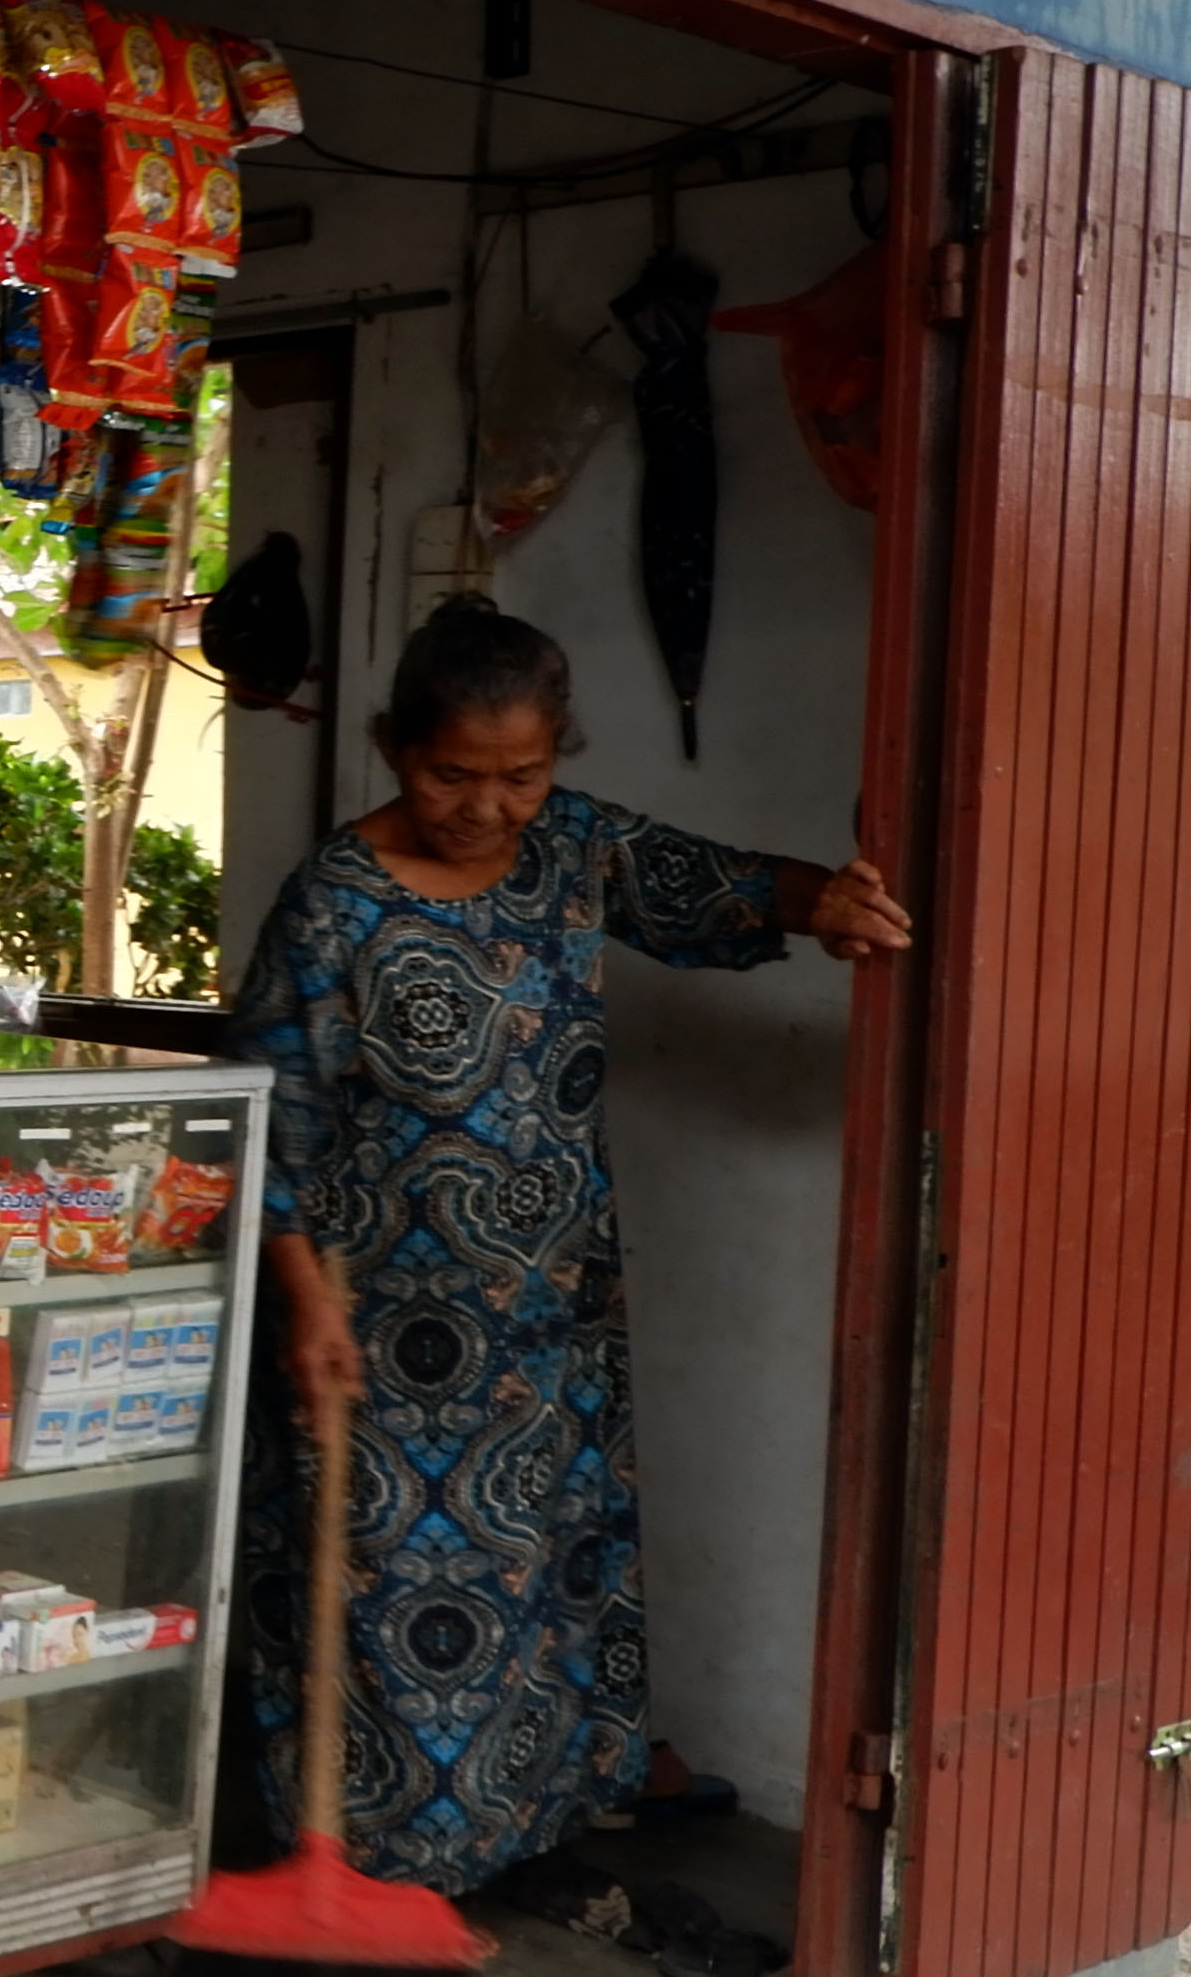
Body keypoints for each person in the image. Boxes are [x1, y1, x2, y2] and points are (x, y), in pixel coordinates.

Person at [223, 595, 912, 1896]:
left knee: (548, 1568)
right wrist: (306, 1305)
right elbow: (274, 1123)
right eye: (451, 775)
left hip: (554, 1317)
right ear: (393, 747)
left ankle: (535, 1822)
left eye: (521, 776)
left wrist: (828, 902)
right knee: (391, 1589)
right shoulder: (333, 906)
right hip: (382, 1333)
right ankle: (392, 1872)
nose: (486, 808)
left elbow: (707, 884)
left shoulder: (574, 850)